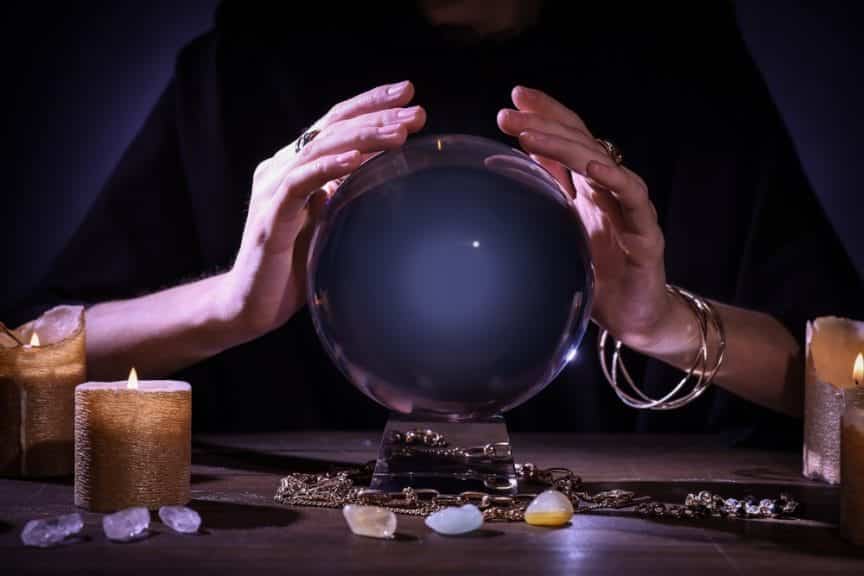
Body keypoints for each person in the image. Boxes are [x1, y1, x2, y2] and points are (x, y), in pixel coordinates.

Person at [12, 1, 862, 442]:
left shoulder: (684, 73)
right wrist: (229, 305)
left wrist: (665, 322)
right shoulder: (246, 70)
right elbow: (19, 366)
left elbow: (843, 387)